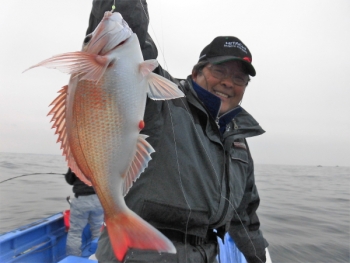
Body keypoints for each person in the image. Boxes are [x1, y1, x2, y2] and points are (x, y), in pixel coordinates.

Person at [87, 1, 269, 262]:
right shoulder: (163, 99)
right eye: (219, 70)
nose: (228, 82)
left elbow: (246, 218)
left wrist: (258, 257)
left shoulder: (238, 140)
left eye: (239, 78)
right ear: (195, 72)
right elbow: (128, 42)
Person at [65, 168, 104, 256]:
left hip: (81, 200)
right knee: (98, 229)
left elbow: (70, 180)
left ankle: (74, 259)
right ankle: (97, 256)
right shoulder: (99, 161)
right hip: (98, 200)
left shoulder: (76, 160)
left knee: (75, 233)